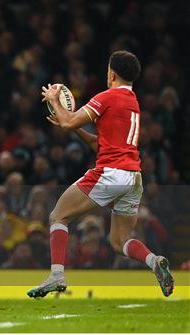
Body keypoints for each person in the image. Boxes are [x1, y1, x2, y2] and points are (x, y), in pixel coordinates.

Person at [27, 51, 174, 298]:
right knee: (120, 241)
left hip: (110, 172)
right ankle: (153, 260)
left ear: (112, 73)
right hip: (133, 177)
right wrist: (75, 127)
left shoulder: (107, 97)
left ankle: (56, 276)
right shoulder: (132, 102)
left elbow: (67, 122)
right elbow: (98, 143)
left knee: (58, 216)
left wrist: (54, 100)